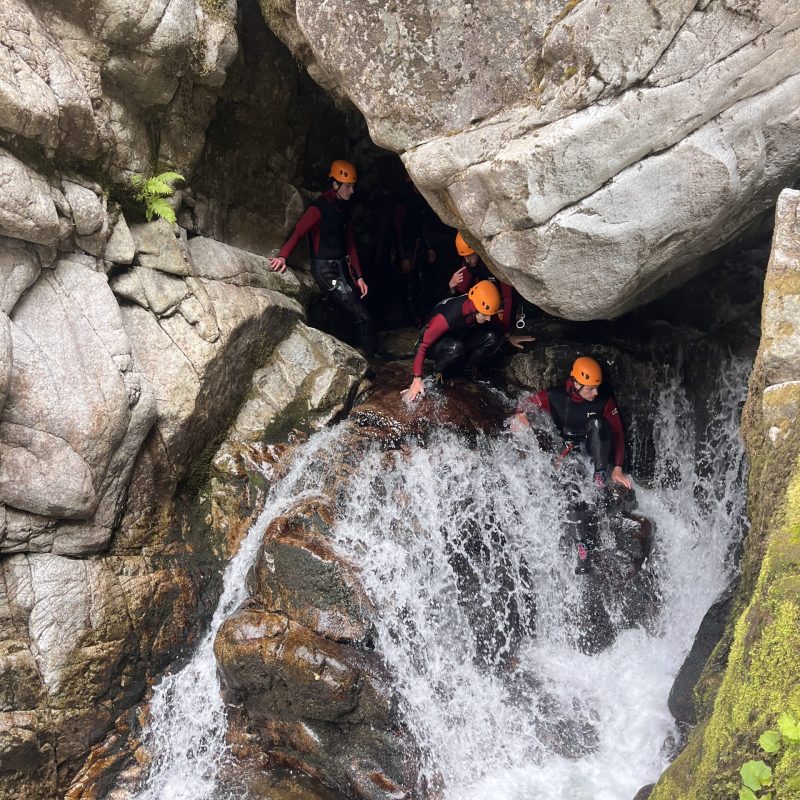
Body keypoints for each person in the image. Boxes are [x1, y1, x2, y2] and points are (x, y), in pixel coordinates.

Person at [513, 356, 633, 574]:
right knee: (571, 491)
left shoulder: (603, 401)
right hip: (570, 455)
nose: (595, 393)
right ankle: (581, 549)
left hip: (597, 454)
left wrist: (617, 467)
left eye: (597, 388)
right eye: (590, 389)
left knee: (597, 424)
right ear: (576, 384)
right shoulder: (554, 396)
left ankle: (598, 475)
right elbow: (525, 403)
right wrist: (520, 415)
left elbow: (617, 432)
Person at [270, 160, 377, 357]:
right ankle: (371, 363)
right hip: (324, 270)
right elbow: (298, 231)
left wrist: (359, 277)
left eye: (353, 186)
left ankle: (364, 356)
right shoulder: (319, 208)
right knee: (363, 317)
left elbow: (350, 246)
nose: (352, 191)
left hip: (341, 270)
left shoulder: (344, 211)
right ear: (335, 184)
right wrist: (283, 256)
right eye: (348, 186)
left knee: (360, 311)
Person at [401, 280, 505, 402]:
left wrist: (508, 335)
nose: (488, 319)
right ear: (475, 308)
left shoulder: (475, 306)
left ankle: (466, 370)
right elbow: (421, 346)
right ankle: (435, 372)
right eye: (486, 315)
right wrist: (417, 378)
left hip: (456, 336)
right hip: (435, 345)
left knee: (492, 337)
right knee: (456, 348)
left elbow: (493, 324)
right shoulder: (446, 317)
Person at [449, 233, 532, 350]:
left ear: (477, 250)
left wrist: (508, 331)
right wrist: (452, 287)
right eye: (464, 257)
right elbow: (461, 296)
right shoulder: (469, 265)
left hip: (507, 297)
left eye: (470, 255)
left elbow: (510, 299)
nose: (467, 260)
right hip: (491, 300)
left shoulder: (493, 264)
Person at [392, 176, 437, 325]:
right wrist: (403, 256)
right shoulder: (403, 201)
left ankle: (423, 316)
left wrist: (429, 247)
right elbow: (397, 230)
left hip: (419, 247)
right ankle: (412, 318)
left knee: (423, 282)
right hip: (407, 248)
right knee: (409, 284)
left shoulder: (421, 199)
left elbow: (423, 225)